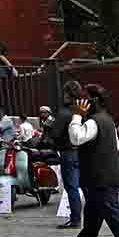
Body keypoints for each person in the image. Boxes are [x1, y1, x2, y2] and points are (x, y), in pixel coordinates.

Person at [61, 84, 119, 237]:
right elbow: (116, 145)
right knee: (93, 213)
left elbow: (76, 138)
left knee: (113, 214)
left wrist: (77, 116)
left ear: (94, 101)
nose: (80, 102)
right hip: (102, 176)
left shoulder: (93, 122)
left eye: (84, 99)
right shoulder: (107, 120)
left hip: (100, 178)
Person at [50, 80, 83, 229]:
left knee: (71, 187)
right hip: (82, 151)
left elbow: (55, 134)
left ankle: (75, 219)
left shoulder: (64, 112)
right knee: (84, 186)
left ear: (68, 94)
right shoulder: (82, 110)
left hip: (68, 152)